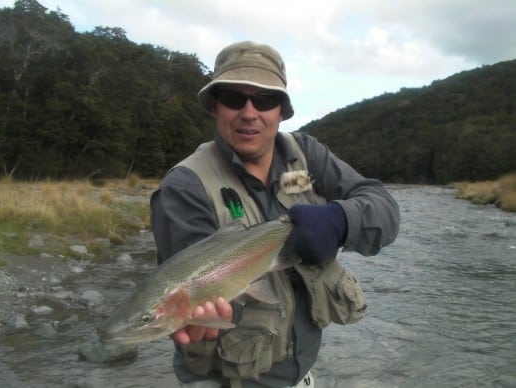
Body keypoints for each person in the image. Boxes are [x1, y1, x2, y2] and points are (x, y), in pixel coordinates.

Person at [150, 41, 400, 388]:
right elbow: (189, 291)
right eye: (234, 99)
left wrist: (341, 220)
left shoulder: (307, 153)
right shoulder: (184, 187)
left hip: (302, 373)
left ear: (281, 110)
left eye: (265, 100)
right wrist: (196, 315)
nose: (249, 112)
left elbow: (383, 206)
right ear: (214, 106)